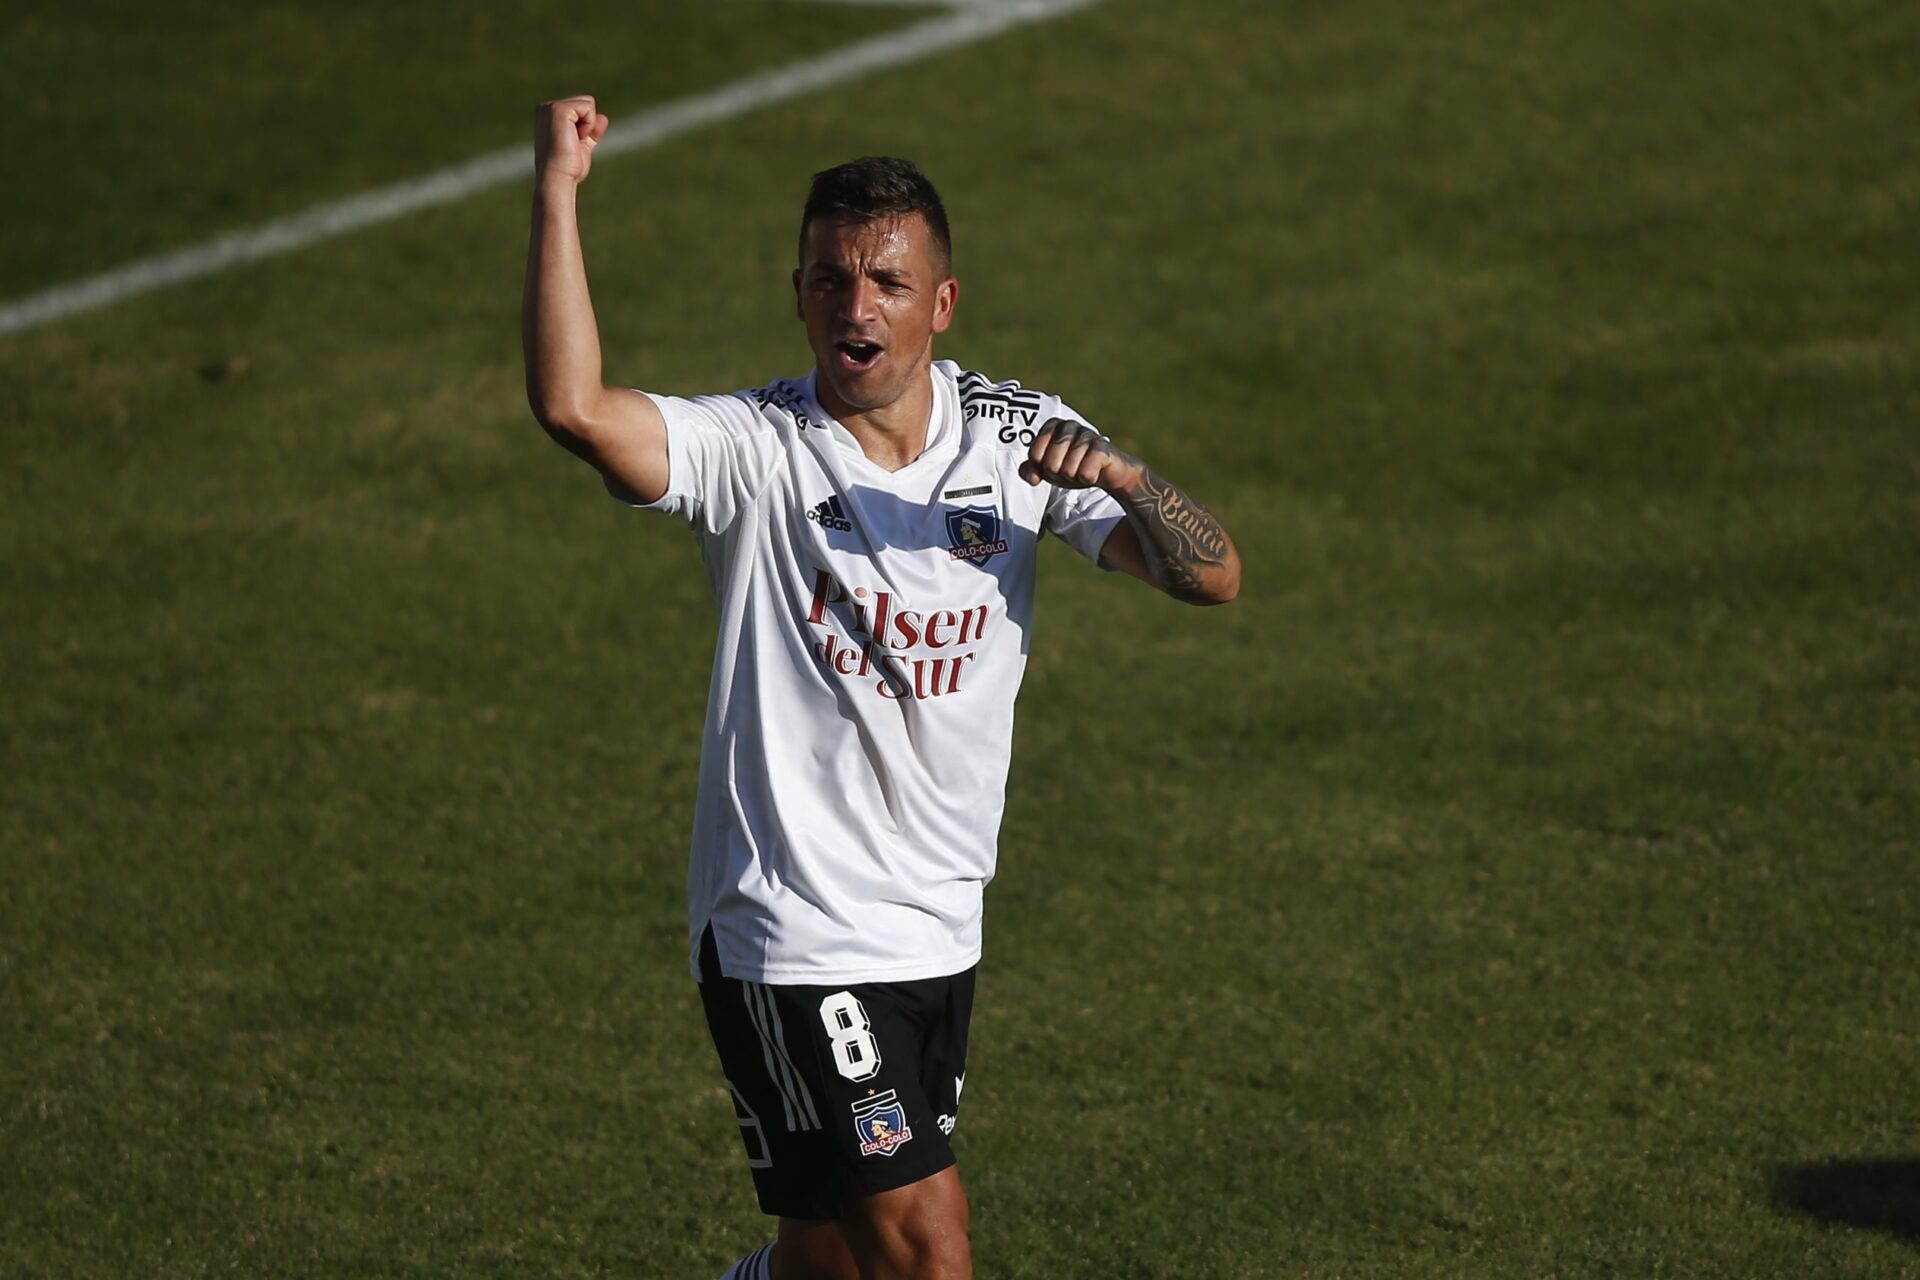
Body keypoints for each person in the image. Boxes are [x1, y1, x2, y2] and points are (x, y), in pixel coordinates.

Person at [521, 95, 1242, 1280]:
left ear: (941, 303)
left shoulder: (1015, 437)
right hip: (796, 924)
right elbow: (576, 409)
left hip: (939, 918)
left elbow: (1211, 577)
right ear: (799, 293)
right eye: (831, 279)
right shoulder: (754, 449)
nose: (856, 307)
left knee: (828, 1258)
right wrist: (559, 188)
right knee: (926, 1250)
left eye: (887, 282)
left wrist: (1128, 476)